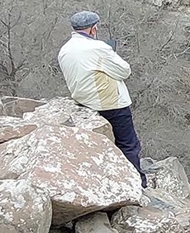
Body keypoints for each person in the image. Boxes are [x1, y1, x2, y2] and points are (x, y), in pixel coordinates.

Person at [58, 11, 147, 188]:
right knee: (128, 144)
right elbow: (124, 71)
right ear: (93, 29)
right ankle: (136, 184)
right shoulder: (98, 48)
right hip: (110, 103)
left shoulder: (65, 50)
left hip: (84, 102)